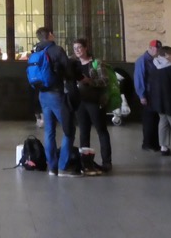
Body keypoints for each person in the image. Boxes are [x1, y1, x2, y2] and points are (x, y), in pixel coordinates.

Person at [32, 27, 81, 177]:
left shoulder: (36, 50)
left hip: (42, 94)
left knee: (49, 131)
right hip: (56, 94)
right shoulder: (56, 50)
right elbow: (68, 71)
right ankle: (62, 166)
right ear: (50, 35)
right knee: (69, 129)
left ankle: (52, 167)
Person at [72, 38, 112, 173]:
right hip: (80, 102)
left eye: (79, 47)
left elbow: (105, 81)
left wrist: (90, 81)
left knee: (101, 130)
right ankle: (86, 161)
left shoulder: (96, 63)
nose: (77, 50)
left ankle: (106, 162)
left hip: (94, 101)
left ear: (86, 48)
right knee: (83, 132)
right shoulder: (74, 64)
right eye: (75, 48)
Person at [134, 39, 161, 151]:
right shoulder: (142, 61)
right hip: (147, 95)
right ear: (150, 48)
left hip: (154, 94)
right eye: (156, 49)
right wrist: (142, 95)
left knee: (155, 120)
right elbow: (139, 79)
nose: (157, 51)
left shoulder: (155, 60)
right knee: (148, 120)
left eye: (158, 49)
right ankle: (147, 144)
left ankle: (155, 143)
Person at [150, 45, 171, 156]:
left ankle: (163, 147)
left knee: (163, 122)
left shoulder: (154, 66)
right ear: (166, 55)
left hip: (158, 100)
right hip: (170, 101)